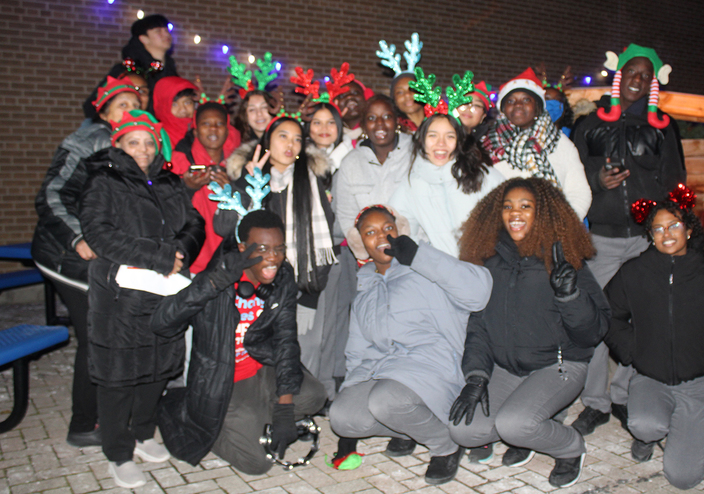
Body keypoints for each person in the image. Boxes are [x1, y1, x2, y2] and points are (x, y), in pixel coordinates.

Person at [449, 178, 610, 488]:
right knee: (464, 430)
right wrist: (477, 377)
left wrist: (570, 296)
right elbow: (479, 326)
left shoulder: (561, 258)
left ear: (542, 213)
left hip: (560, 365)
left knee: (515, 424)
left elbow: (594, 331)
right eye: (507, 207)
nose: (515, 214)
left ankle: (569, 447)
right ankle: (529, 426)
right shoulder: (490, 259)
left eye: (526, 206)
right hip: (510, 368)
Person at [604, 192, 704, 489]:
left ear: (689, 229)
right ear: (650, 235)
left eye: (674, 226)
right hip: (650, 378)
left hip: (696, 385)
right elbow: (608, 314)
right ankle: (648, 437)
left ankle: (696, 429)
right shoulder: (634, 273)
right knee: (643, 424)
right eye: (658, 228)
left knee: (682, 478)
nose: (666, 233)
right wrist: (632, 351)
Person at [79, 110, 204, 488]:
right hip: (122, 296)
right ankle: (118, 452)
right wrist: (160, 256)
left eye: (150, 142)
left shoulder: (168, 180)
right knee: (119, 374)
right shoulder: (104, 179)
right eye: (134, 142)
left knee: (158, 365)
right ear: (118, 144)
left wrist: (180, 251)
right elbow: (98, 233)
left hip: (163, 291)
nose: (144, 149)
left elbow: (193, 223)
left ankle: (144, 433)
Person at [151, 209, 327, 474]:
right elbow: (161, 323)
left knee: (315, 395)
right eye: (263, 249)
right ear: (243, 248)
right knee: (257, 463)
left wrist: (285, 406)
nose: (273, 258)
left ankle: (257, 419)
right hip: (223, 380)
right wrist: (213, 283)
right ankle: (210, 426)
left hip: (262, 367)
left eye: (279, 248)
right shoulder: (217, 281)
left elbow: (286, 340)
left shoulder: (282, 278)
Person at [329, 205, 492, 484]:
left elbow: (479, 293)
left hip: (436, 365)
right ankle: (407, 429)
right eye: (370, 232)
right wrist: (347, 432)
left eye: (387, 228)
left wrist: (419, 256)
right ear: (360, 243)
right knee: (342, 416)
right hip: (387, 371)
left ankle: (446, 445)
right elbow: (357, 353)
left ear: (399, 231)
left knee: (386, 400)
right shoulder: (365, 286)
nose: (381, 236)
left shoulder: (423, 265)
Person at [570, 44, 686, 437]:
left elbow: (675, 182)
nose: (637, 80)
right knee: (596, 320)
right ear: (619, 76)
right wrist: (596, 179)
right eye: (631, 72)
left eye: (644, 75)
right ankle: (595, 402)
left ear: (652, 82)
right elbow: (572, 174)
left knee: (641, 319)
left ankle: (622, 395)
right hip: (600, 240)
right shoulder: (589, 123)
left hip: (644, 239)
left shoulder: (663, 127)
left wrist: (674, 234)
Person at [31, 76, 142, 448]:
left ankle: (106, 411)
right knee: (97, 335)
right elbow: (51, 195)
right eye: (122, 105)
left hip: (100, 257)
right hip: (63, 253)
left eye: (135, 104)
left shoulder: (131, 146)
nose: (130, 111)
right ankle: (83, 422)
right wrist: (77, 237)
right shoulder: (88, 143)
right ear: (105, 112)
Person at [221, 116, 338, 383]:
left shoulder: (310, 181)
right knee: (260, 358)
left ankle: (297, 412)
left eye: (298, 138)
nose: (291, 144)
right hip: (254, 289)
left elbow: (324, 241)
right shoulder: (249, 179)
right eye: (283, 136)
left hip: (299, 288)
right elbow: (223, 226)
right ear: (267, 141)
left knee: (301, 357)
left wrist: (310, 297)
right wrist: (249, 184)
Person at [481, 68, 591, 219]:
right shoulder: (487, 146)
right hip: (502, 234)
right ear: (503, 109)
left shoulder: (560, 143)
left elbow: (579, 192)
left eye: (526, 99)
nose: (518, 105)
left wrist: (563, 225)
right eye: (511, 101)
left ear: (538, 107)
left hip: (550, 232)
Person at [390, 113, 504, 257]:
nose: (441, 143)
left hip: (486, 267)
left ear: (459, 141)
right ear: (421, 139)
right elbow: (400, 231)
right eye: (433, 135)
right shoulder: (412, 184)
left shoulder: (482, 174)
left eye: (450, 136)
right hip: (442, 272)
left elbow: (508, 213)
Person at [171, 102, 241, 274]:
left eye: (219, 124)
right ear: (195, 131)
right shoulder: (180, 161)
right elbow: (167, 207)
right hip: (191, 261)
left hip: (228, 262)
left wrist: (231, 191)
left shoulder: (237, 163)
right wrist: (187, 188)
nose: (213, 129)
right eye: (206, 124)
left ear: (227, 130)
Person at [332, 94, 413, 238]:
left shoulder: (415, 154)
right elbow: (346, 215)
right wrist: (364, 250)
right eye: (371, 118)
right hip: (370, 251)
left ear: (397, 121)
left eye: (387, 117)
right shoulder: (351, 162)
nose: (380, 123)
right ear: (363, 125)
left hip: (415, 248)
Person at [83, 14, 177, 118]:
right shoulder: (127, 71)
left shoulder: (171, 73)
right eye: (158, 31)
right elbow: (93, 105)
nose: (166, 34)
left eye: (167, 30)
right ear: (144, 39)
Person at [153, 76, 198, 147]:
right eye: (174, 104)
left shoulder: (202, 130)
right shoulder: (157, 137)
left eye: (187, 102)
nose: (183, 109)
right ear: (162, 107)